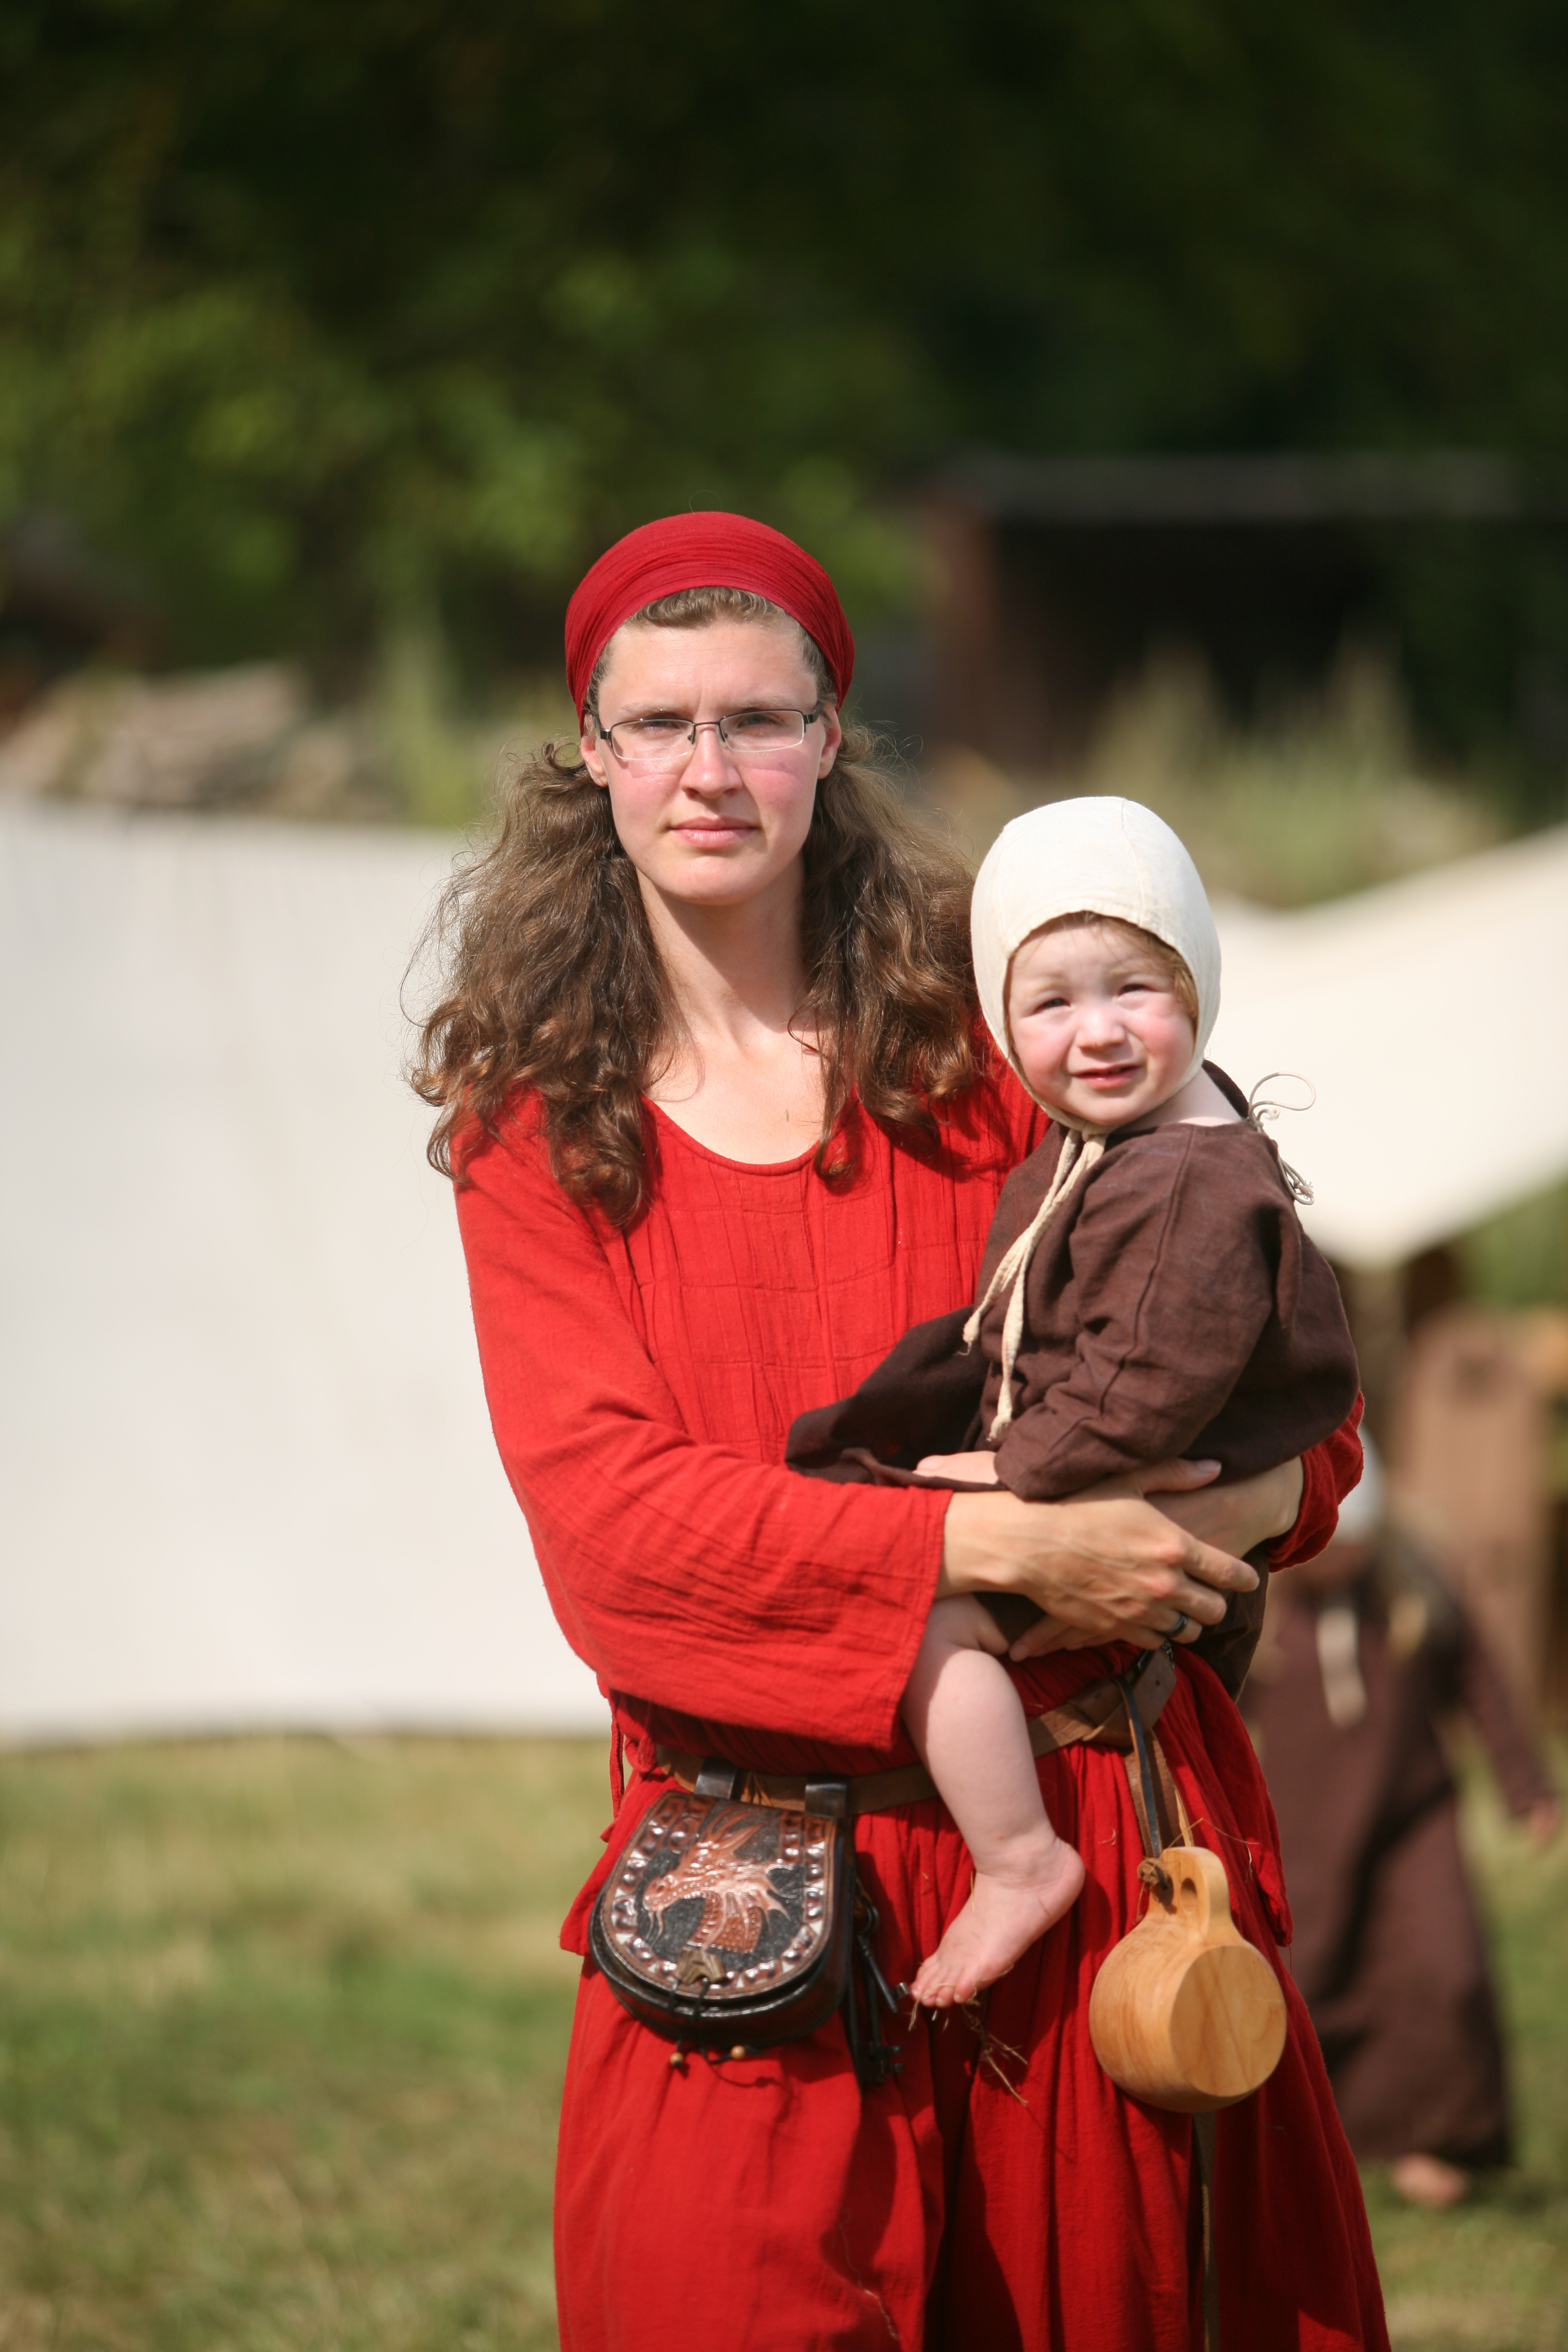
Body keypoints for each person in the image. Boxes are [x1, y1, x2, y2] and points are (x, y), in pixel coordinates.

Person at [411, 510, 1387, 2351]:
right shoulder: (537, 1134)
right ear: (594, 753)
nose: (711, 769)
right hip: (744, 1880)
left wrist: (1210, 1520)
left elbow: (1280, 1388)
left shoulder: (1001, 1050)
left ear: (832, 737)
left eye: (760, 719)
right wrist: (1004, 1543)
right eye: (661, 723)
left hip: (1086, 1844)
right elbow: (619, 1533)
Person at [789, 797, 1358, 2007]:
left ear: (1197, 985)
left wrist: (1000, 1475)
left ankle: (1018, 1860)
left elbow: (1135, 1391)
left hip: (1118, 1493)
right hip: (1096, 1475)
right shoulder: (1125, 1136)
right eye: (1050, 1004)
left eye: (1134, 990)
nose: (1097, 1032)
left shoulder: (1186, 1184)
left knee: (921, 1626)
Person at [1244, 1439, 1560, 2209]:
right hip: (1307, 1825)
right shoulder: (1260, 1609)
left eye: (1356, 1545)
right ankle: (1303, 2143)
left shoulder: (1415, 1590)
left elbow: (1482, 1685)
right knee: (1312, 1976)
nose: (1343, 1560)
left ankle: (1437, 2137)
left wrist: (1526, 1787)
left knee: (1444, 1967)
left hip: (1415, 1817)